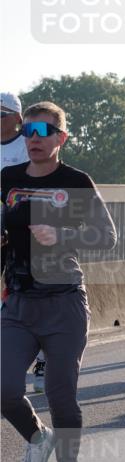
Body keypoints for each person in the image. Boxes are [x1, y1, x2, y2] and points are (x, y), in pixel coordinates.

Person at [1, 101, 117, 462]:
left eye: (42, 132)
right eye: (28, 131)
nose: (33, 139)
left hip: (64, 301)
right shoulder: (9, 177)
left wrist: (62, 236)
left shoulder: (76, 181)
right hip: (18, 301)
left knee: (60, 392)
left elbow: (107, 236)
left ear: (60, 138)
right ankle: (37, 437)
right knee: (5, 389)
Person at [1, 92, 46, 393]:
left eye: (1, 113)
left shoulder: (29, 144)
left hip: (29, 230)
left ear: (17, 118)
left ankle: (43, 357)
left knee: (34, 294)